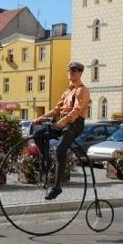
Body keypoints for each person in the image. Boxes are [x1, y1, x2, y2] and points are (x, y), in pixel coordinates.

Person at [32, 61, 90, 200]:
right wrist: (42, 117)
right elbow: (57, 109)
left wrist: (63, 121)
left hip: (74, 124)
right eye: (70, 70)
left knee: (60, 151)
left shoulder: (82, 90)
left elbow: (77, 110)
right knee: (38, 133)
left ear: (80, 73)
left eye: (75, 70)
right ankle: (46, 162)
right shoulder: (67, 91)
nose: (72, 72)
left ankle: (57, 187)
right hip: (61, 123)